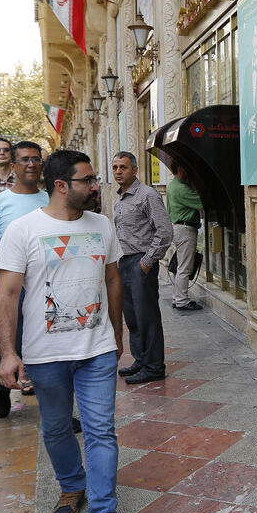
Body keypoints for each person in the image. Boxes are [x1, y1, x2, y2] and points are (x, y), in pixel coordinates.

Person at [0, 149, 134, 513]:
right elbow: (7, 293)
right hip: (45, 355)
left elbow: (112, 281)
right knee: (56, 428)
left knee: (101, 432)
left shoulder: (102, 225)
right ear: (61, 186)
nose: (95, 186)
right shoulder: (23, 229)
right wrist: (8, 351)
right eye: (87, 180)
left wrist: (116, 333)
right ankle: (72, 486)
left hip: (96, 350)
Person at [0, 141, 49, 418]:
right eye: (24, 160)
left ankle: (54, 407)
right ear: (13, 166)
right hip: (12, 285)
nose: (30, 164)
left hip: (47, 284)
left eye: (35, 159)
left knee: (47, 343)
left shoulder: (51, 199)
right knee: (14, 341)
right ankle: (2, 386)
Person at [110, 152, 172, 384]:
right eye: (115, 167)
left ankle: (154, 367)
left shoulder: (147, 195)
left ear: (134, 170)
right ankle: (141, 359)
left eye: (123, 167)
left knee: (147, 317)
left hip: (140, 262)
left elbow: (165, 231)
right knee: (133, 317)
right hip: (124, 262)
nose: (118, 171)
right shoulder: (120, 197)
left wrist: (146, 263)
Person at [165, 163, 204, 311]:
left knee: (180, 266)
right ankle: (182, 300)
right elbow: (201, 203)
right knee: (185, 268)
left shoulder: (172, 185)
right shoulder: (181, 188)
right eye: (187, 167)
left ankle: (177, 298)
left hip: (178, 227)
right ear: (180, 168)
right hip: (185, 229)